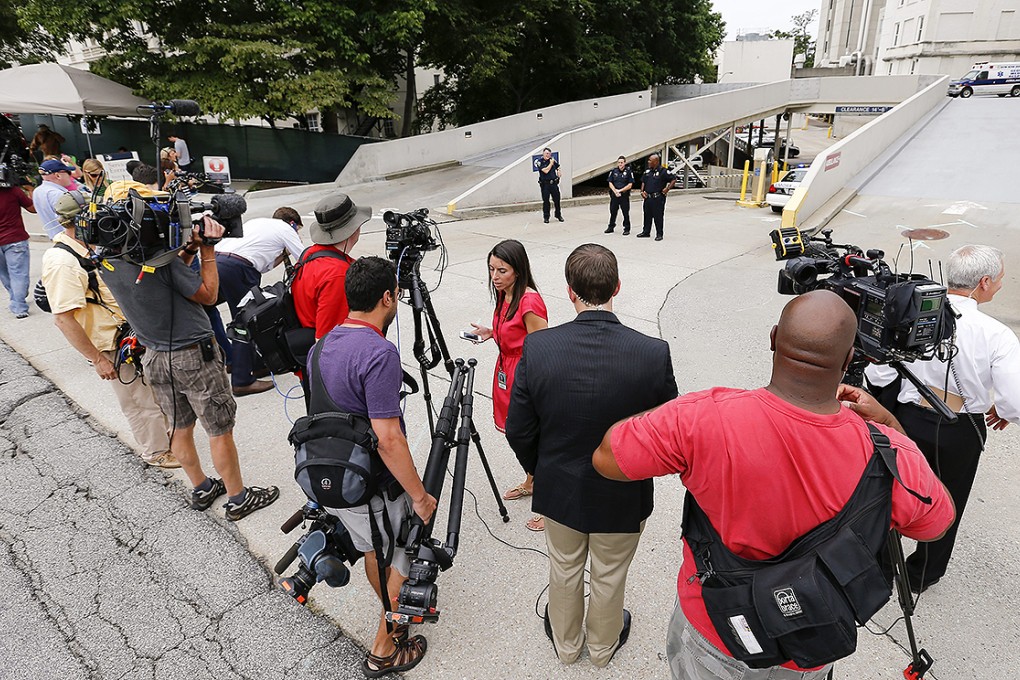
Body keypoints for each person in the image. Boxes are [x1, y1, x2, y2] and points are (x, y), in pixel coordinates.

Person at [593, 290, 955, 680]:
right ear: (850, 360)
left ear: (772, 339)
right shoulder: (889, 451)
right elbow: (936, 522)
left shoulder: (702, 418)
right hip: (808, 642)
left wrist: (678, 414)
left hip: (715, 626)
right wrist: (889, 425)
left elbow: (607, 459)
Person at [505, 244, 677, 666]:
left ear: (569, 292)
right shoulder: (653, 353)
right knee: (610, 573)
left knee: (563, 568)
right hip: (624, 488)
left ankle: (566, 647)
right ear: (617, 287)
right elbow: (668, 430)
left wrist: (540, 469)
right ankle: (601, 649)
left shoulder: (540, 348)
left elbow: (519, 429)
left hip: (560, 486)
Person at [99, 213, 279, 521]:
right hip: (194, 356)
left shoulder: (109, 264)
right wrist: (208, 252)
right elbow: (208, 295)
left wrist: (190, 249)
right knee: (219, 429)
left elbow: (164, 276)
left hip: (155, 357)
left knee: (179, 426)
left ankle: (201, 488)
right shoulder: (161, 264)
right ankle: (239, 499)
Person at [865, 244, 1020, 593]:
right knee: (947, 501)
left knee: (889, 490)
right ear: (983, 282)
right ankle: (923, 574)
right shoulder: (997, 334)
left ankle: (880, 568)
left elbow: (881, 373)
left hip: (903, 418)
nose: (999, 286)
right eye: (999, 280)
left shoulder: (910, 313)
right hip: (959, 428)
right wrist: (1004, 411)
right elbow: (1015, 401)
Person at [310, 256, 437, 677]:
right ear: (388, 296)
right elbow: (388, 438)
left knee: (372, 550)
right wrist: (419, 495)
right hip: (372, 485)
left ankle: (389, 611)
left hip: (333, 477)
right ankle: (384, 648)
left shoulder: (321, 345)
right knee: (395, 556)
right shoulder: (379, 353)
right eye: (396, 291)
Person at [41, 192, 178, 468]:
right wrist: (98, 359)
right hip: (109, 345)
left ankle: (164, 440)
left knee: (149, 393)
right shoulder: (63, 262)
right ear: (81, 220)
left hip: (127, 336)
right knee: (137, 400)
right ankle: (156, 452)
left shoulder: (87, 248)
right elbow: (64, 319)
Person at [469, 239, 548, 530]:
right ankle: (532, 478)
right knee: (512, 433)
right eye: (491, 269)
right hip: (505, 370)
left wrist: (535, 385)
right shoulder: (505, 294)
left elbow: (542, 347)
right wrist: (493, 332)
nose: (495, 276)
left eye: (502, 270)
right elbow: (513, 331)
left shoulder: (529, 300)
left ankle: (549, 500)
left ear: (518, 270)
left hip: (525, 374)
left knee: (529, 435)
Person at [214, 206, 306, 396]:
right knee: (247, 320)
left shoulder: (258, 224)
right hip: (238, 267)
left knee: (215, 311)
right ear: (293, 223)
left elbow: (262, 263)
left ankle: (240, 362)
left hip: (217, 261)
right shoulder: (286, 229)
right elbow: (304, 259)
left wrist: (282, 256)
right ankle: (242, 380)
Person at [0, 181, 35, 318]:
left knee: (4, 274)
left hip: (12, 239)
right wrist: (31, 190)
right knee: (19, 273)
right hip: (15, 239)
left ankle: (16, 297)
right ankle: (19, 305)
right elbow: (33, 208)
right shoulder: (13, 191)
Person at [637, 153, 676, 242]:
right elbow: (643, 181)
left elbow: (673, 179)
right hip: (648, 198)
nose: (648, 162)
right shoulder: (647, 171)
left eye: (650, 160)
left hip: (658, 198)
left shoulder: (663, 171)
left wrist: (667, 188)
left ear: (656, 161)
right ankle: (646, 232)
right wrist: (642, 192)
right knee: (647, 215)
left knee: (658, 216)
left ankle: (659, 234)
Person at [34, 159, 75, 239]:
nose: (70, 176)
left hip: (54, 237)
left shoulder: (38, 191)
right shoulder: (58, 194)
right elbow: (66, 221)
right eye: (68, 173)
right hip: (67, 238)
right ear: (58, 175)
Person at [605, 156, 634, 235]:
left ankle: (626, 228)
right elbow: (610, 182)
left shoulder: (628, 172)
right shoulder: (614, 171)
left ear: (624, 163)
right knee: (613, 211)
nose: (620, 164)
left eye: (622, 162)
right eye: (619, 162)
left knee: (625, 212)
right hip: (615, 195)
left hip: (624, 195)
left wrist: (620, 191)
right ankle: (611, 227)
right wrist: (615, 191)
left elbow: (630, 185)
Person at [537, 147, 563, 224]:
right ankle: (546, 217)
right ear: (543, 154)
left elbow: (558, 166)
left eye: (549, 154)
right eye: (546, 154)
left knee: (557, 200)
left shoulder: (552, 160)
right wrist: (551, 163)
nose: (548, 155)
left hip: (554, 184)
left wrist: (559, 171)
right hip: (545, 185)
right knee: (546, 201)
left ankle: (558, 215)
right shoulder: (540, 162)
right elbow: (545, 170)